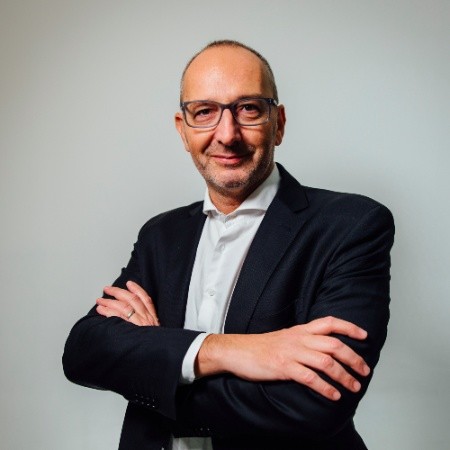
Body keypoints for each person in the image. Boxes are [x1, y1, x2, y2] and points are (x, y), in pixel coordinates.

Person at [63, 40, 395, 450]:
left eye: (248, 109)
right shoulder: (160, 235)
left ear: (279, 123)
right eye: (204, 112)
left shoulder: (351, 225)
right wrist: (228, 351)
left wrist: (154, 363)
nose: (226, 134)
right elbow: (84, 351)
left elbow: (316, 403)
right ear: (183, 131)